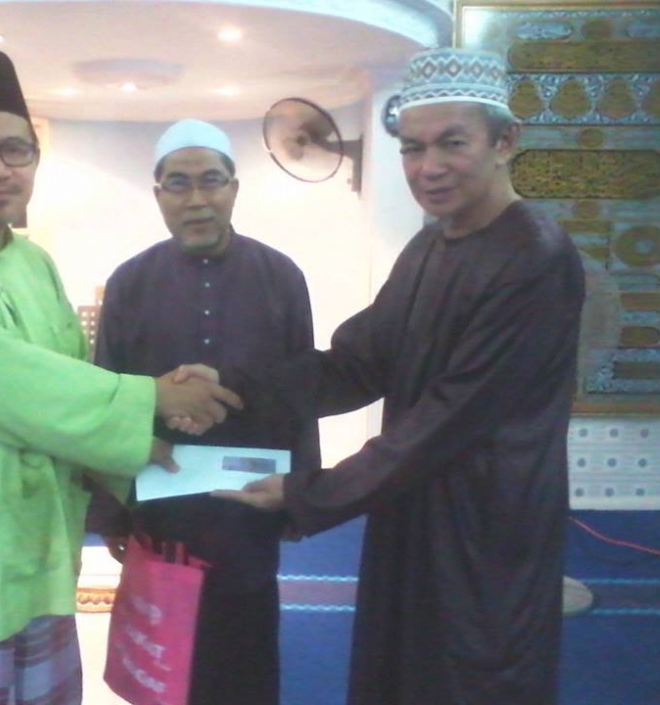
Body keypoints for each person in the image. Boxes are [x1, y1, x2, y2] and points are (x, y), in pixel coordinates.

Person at [0, 47, 240, 705]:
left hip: (34, 557)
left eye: (15, 149)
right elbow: (9, 385)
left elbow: (71, 380)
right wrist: (152, 400)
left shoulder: (32, 264)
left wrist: (145, 474)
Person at [209, 47, 586, 705]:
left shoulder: (535, 258)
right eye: (412, 148)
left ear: (504, 142)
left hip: (484, 528)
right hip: (413, 505)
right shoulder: (430, 244)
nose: (428, 167)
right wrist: (231, 389)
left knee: (472, 677)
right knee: (400, 671)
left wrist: (308, 493)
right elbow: (360, 362)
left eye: (452, 143)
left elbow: (450, 419)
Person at [88, 119, 321, 705]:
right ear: (158, 194)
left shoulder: (281, 277)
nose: (197, 199)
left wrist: (302, 489)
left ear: (234, 188)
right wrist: (112, 510)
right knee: (166, 660)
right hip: (163, 501)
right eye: (179, 183)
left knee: (246, 648)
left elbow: (304, 388)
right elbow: (109, 390)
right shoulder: (130, 282)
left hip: (250, 503)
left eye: (211, 181)